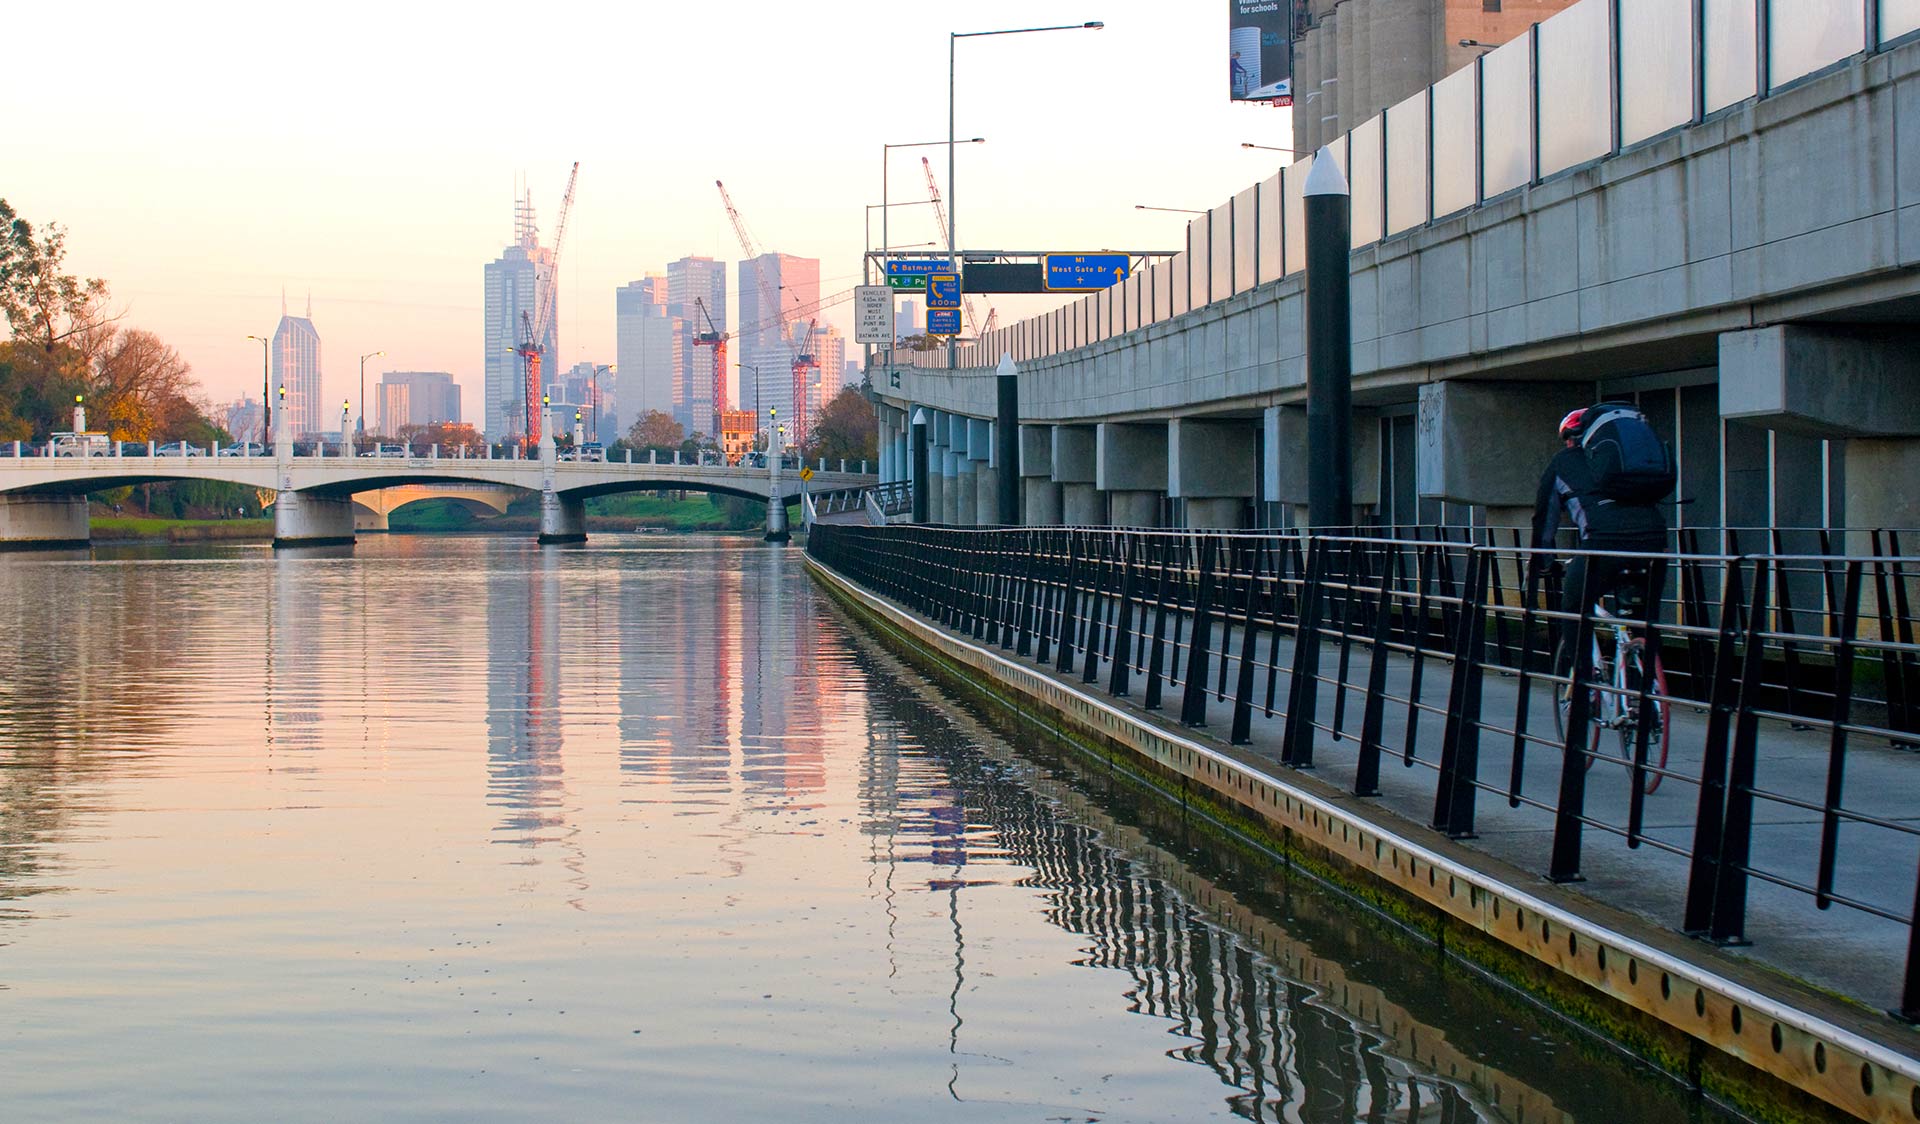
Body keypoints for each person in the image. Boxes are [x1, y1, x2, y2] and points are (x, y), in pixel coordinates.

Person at [1532, 406, 1669, 675]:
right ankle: (1649, 691)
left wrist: (1545, 563)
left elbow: (1544, 520)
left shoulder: (1563, 462)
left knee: (1573, 608)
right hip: (1654, 542)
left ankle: (1585, 681)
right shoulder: (1626, 462)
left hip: (1602, 546)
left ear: (1571, 437)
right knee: (1644, 620)